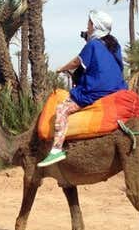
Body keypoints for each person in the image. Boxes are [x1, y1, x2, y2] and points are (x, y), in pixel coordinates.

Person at [38, 10, 127, 167]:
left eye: (89, 23)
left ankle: (56, 150)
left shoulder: (92, 44)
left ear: (95, 26)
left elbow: (76, 63)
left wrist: (60, 68)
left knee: (61, 109)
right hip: (118, 89)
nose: (87, 26)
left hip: (96, 90)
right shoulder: (114, 45)